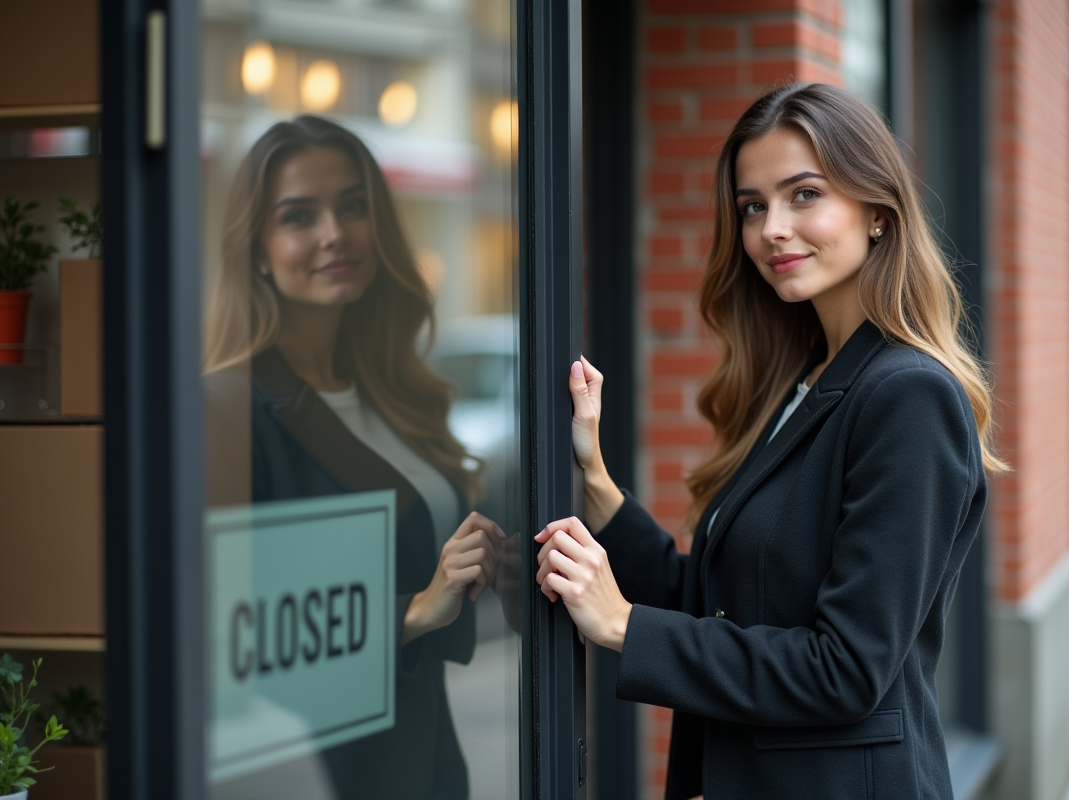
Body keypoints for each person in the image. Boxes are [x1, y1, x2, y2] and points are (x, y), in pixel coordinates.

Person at [534, 83, 1005, 799]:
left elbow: (845, 668)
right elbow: (723, 600)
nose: (772, 229)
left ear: (877, 211)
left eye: (804, 194)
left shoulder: (908, 396)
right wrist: (595, 482)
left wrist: (627, 628)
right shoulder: (809, 382)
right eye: (753, 206)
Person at [204, 115, 508, 800]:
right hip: (323, 774)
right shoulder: (226, 407)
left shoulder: (393, 392)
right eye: (298, 216)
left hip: (429, 755)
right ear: (257, 248)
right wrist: (416, 608)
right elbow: (231, 635)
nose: (333, 233)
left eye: (352, 206)